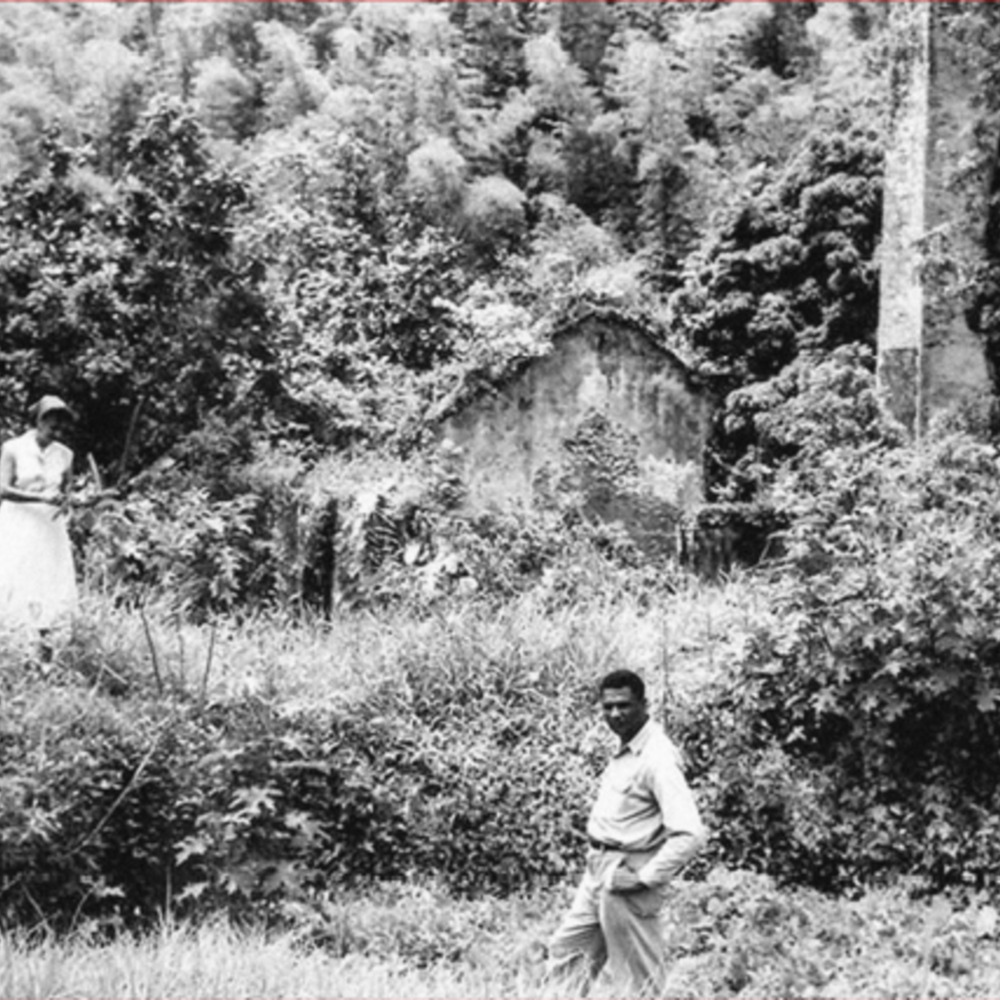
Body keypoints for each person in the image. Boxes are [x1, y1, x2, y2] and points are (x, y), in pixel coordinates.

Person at [548, 669, 707, 996]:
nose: (615, 714)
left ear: (644, 705)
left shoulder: (657, 758)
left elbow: (690, 833)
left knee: (638, 982)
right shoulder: (627, 748)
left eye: (624, 705)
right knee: (568, 955)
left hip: (629, 876)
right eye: (608, 707)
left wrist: (645, 877)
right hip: (599, 871)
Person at [0, 395, 79, 640]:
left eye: (61, 427)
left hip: (49, 527)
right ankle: (10, 636)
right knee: (15, 576)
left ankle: (44, 637)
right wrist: (40, 499)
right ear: (39, 421)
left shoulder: (65, 454)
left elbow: (67, 493)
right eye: (52, 426)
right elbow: (3, 489)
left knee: (46, 579)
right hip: (18, 522)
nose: (56, 432)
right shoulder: (13, 448)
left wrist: (73, 502)